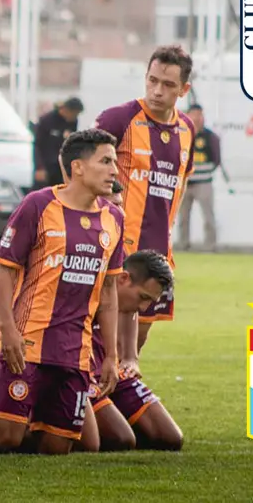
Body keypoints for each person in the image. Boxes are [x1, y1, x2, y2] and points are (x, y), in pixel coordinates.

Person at [0, 128, 124, 455]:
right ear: (78, 167)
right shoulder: (38, 205)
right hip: (29, 342)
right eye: (106, 161)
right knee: (4, 440)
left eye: (115, 161)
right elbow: (5, 270)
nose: (114, 170)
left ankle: (27, 417)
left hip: (76, 350)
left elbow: (109, 293)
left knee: (56, 448)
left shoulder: (115, 219)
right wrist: (8, 331)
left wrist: (110, 354)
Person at [93, 45, 196, 352]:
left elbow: (182, 181)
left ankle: (117, 395)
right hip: (115, 245)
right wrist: (111, 195)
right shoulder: (119, 119)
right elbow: (77, 160)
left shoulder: (187, 129)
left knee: (136, 342)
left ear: (184, 89)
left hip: (157, 249)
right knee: (104, 339)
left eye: (167, 85)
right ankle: (89, 397)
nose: (157, 91)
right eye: (152, 80)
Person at [80, 250, 184, 452]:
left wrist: (130, 358)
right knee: (121, 439)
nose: (144, 307)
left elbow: (131, 310)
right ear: (123, 279)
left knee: (169, 438)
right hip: (82, 370)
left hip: (111, 368)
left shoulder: (115, 249)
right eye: (143, 297)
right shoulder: (85, 275)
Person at [177, 105, 221, 252]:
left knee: (208, 217)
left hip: (204, 183)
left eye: (199, 115)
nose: (196, 118)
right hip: (184, 183)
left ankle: (210, 246)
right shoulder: (180, 134)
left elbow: (216, 159)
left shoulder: (210, 137)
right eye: (193, 115)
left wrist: (202, 171)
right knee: (183, 218)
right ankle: (183, 245)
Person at [33, 97, 83, 190]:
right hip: (46, 166)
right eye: (74, 114)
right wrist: (39, 167)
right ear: (66, 109)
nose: (74, 117)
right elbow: (37, 145)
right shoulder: (46, 120)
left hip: (61, 166)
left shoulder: (72, 122)